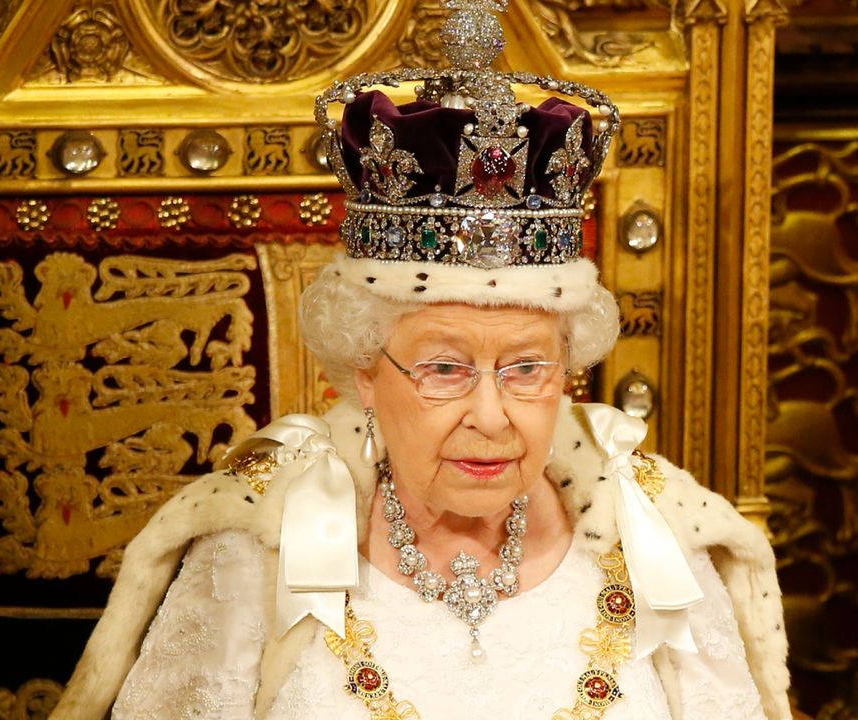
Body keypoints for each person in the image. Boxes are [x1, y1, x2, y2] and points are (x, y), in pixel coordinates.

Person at [53, 2, 790, 717]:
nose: (492, 417)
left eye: (527, 369)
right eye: (444, 369)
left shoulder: (653, 536)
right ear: (365, 373)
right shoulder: (260, 543)